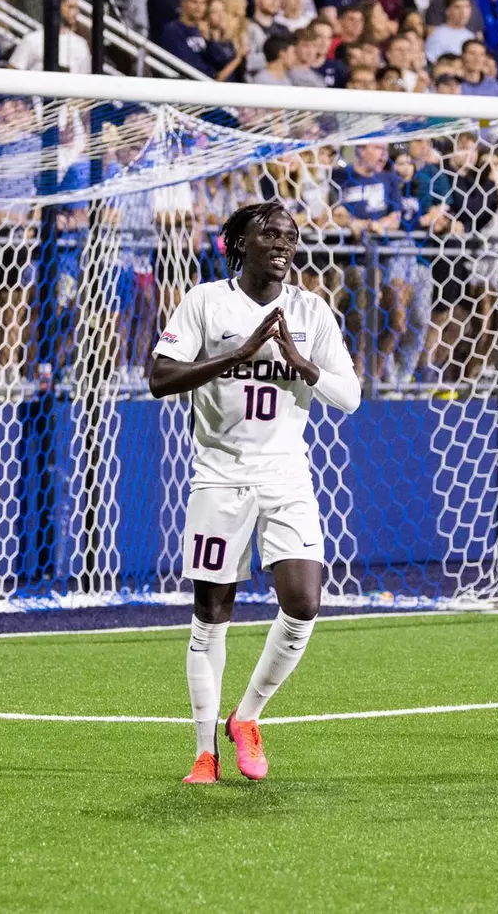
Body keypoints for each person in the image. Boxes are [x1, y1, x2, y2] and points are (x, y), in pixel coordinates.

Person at [150, 200, 360, 785]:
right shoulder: (205, 302)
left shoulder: (311, 311)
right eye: (270, 234)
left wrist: (300, 362)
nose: (283, 244)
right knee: (211, 612)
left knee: (304, 602)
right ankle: (204, 752)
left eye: (290, 236)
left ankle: (246, 717)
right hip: (219, 478)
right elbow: (160, 378)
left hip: (287, 478)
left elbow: (350, 397)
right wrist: (236, 356)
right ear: (239, 244)